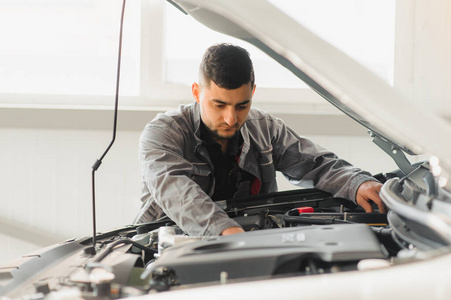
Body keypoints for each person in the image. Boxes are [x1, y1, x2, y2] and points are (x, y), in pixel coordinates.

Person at [134, 43, 386, 236]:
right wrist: (225, 231)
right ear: (197, 92)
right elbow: (177, 192)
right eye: (219, 105)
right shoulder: (163, 133)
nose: (231, 119)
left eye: (242, 105)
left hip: (250, 241)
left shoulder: (264, 128)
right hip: (164, 247)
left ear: (253, 92)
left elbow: (315, 164)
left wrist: (357, 183)